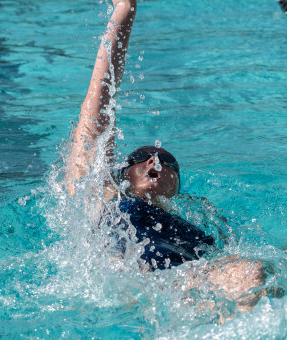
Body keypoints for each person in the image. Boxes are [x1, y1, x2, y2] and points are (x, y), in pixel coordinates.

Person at [65, 0, 268, 310]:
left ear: (176, 185)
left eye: (167, 161)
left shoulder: (199, 231)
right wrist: (124, 10)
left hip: (186, 287)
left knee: (252, 273)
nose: (154, 160)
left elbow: (276, 255)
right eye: (142, 155)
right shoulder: (103, 199)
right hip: (129, 282)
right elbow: (95, 113)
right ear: (123, 174)